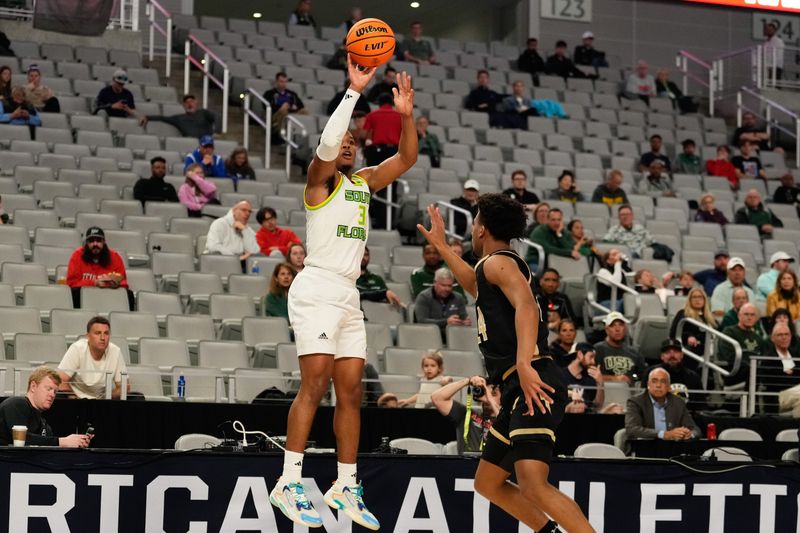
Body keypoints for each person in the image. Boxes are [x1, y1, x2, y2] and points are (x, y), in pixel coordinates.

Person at [270, 59, 416, 530]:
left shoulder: (364, 183)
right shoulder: (318, 183)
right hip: (315, 288)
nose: (348, 145)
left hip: (348, 295)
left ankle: (345, 484)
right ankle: (289, 480)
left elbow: (407, 159)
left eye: (355, 142)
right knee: (314, 384)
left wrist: (407, 117)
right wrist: (353, 93)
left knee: (351, 394)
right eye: (343, 143)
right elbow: (328, 145)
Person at [418, 194, 594, 533]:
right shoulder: (492, 267)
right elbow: (474, 286)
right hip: (516, 385)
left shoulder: (498, 263)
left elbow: (527, 306)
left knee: (532, 483)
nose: (472, 229)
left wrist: (525, 363)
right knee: (488, 482)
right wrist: (442, 246)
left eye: (474, 222)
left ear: (482, 229)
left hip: (533, 378)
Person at [0, 366, 91, 447]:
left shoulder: (44, 425)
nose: (52, 395)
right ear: (33, 386)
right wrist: (62, 442)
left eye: (55, 391)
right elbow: (21, 440)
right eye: (48, 389)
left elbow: (47, 445)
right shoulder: (16, 404)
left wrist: (77, 442)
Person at [58, 316, 128, 400]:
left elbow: (124, 387)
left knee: (138, 397)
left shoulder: (115, 351)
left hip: (102, 401)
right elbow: (60, 380)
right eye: (98, 333)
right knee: (58, 396)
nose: (102, 338)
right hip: (76, 399)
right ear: (88, 336)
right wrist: (74, 398)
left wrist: (108, 398)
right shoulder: (77, 348)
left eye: (106, 333)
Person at [624, 367, 701, 442]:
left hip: (672, 448)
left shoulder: (678, 402)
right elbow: (632, 429)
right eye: (654, 381)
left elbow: (695, 429)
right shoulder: (636, 402)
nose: (658, 385)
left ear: (668, 387)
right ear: (648, 385)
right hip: (645, 448)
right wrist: (664, 434)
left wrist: (689, 434)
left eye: (663, 381)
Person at [66, 227, 132, 310]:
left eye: (98, 241)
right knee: (74, 292)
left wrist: (116, 285)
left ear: (104, 242)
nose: (95, 244)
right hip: (86, 297)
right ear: (86, 243)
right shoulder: (77, 255)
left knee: (128, 294)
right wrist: (94, 283)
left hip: (109, 297)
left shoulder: (115, 257)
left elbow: (124, 283)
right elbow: (71, 283)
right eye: (91, 241)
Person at [430, 375, 499, 454]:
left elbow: (505, 424)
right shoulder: (467, 413)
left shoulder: (507, 417)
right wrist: (467, 381)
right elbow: (437, 398)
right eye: (485, 392)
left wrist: (490, 400)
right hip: (468, 464)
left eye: (493, 394)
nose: (487, 396)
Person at [719, 303, 766, 389]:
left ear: (756, 318)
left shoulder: (759, 338)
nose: (749, 317)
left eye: (752, 315)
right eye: (746, 314)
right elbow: (729, 357)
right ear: (739, 316)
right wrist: (751, 365)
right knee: (753, 369)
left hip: (754, 372)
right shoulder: (729, 332)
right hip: (734, 372)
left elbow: (764, 357)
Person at [649, 339, 705, 410]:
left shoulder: (693, 376)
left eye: (676, 352)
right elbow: (644, 402)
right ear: (662, 356)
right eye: (667, 352)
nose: (672, 355)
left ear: (682, 355)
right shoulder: (651, 374)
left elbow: (701, 405)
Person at [414, 267, 470, 339]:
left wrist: (465, 322)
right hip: (428, 336)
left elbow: (463, 317)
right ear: (435, 283)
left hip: (455, 337)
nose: (447, 289)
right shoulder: (423, 297)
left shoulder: (458, 298)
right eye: (443, 285)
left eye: (450, 286)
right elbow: (422, 321)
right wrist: (446, 322)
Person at [669, 287, 717, 368]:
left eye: (700, 297)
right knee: (690, 352)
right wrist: (689, 336)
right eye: (694, 297)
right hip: (693, 347)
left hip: (712, 346)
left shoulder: (710, 317)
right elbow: (673, 333)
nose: (697, 300)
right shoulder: (683, 314)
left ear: (704, 300)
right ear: (689, 300)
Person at [594, 312, 646, 385]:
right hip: (605, 392)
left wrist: (631, 379)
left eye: (620, 325)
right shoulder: (597, 350)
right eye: (612, 325)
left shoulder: (635, 353)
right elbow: (590, 376)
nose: (617, 329)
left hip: (630, 393)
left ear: (625, 328)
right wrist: (614, 379)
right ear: (606, 329)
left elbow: (643, 377)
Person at [204, 201, 259, 268]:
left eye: (249, 212)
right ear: (234, 210)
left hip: (241, 265)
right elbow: (213, 246)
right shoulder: (220, 223)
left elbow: (255, 251)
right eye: (244, 210)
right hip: (217, 263)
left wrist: (244, 231)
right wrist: (235, 259)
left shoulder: (247, 229)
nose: (247, 214)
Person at [760, 323, 798, 413]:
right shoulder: (768, 358)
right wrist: (793, 375)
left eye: (786, 334)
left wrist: (789, 374)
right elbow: (772, 383)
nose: (784, 337)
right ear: (773, 338)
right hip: (777, 396)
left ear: (791, 337)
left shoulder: (796, 355)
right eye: (780, 335)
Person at [144, 94, 217, 138]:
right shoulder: (179, 118)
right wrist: (147, 117)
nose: (189, 104)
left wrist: (216, 131)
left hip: (207, 143)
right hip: (189, 144)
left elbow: (216, 117)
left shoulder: (203, 113)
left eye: (191, 101)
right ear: (184, 106)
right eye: (186, 102)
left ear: (196, 103)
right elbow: (163, 118)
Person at [562, 343, 608, 414]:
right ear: (580, 355)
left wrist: (600, 383)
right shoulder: (560, 375)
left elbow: (597, 405)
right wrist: (571, 394)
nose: (593, 362)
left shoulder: (590, 378)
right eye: (591, 357)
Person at [263, 71, 306, 137]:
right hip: (275, 115)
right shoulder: (269, 93)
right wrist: (281, 107)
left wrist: (292, 107)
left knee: (304, 111)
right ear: (276, 82)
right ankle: (280, 134)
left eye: (285, 82)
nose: (283, 84)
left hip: (291, 113)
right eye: (281, 81)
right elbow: (266, 106)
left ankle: (302, 132)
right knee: (283, 110)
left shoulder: (292, 94)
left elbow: (301, 106)